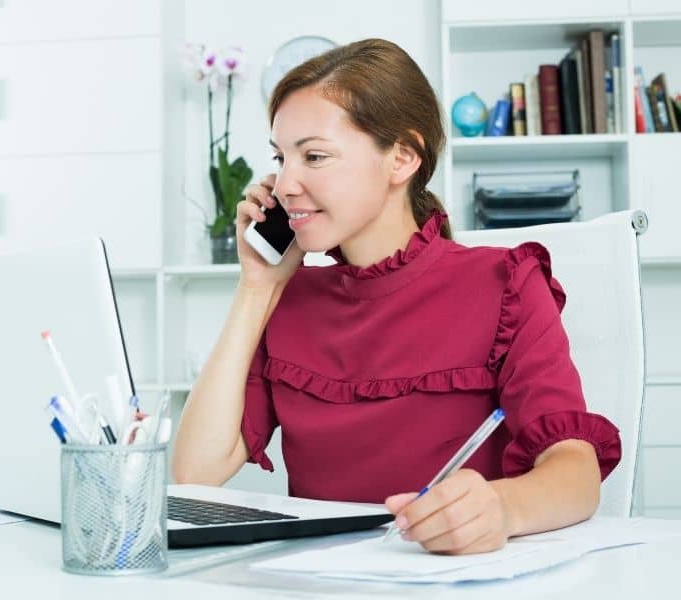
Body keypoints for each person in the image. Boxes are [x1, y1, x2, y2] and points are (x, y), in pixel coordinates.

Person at [172, 38, 621, 555]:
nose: (285, 184)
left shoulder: (507, 283)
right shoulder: (287, 299)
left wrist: (502, 508)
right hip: (323, 586)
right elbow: (194, 473)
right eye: (281, 157)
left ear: (403, 157)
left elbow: (576, 472)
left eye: (314, 156)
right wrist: (256, 287)